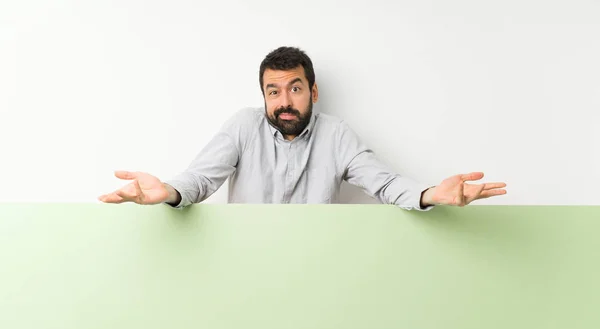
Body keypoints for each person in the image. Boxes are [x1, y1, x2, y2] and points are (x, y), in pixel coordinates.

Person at [98, 46, 506, 209]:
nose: (284, 101)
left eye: (294, 88)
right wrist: (168, 191)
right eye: (272, 91)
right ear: (263, 96)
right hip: (244, 267)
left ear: (312, 91)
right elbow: (201, 178)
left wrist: (430, 194)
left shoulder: (337, 134)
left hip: (317, 270)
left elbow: (383, 182)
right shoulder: (243, 126)